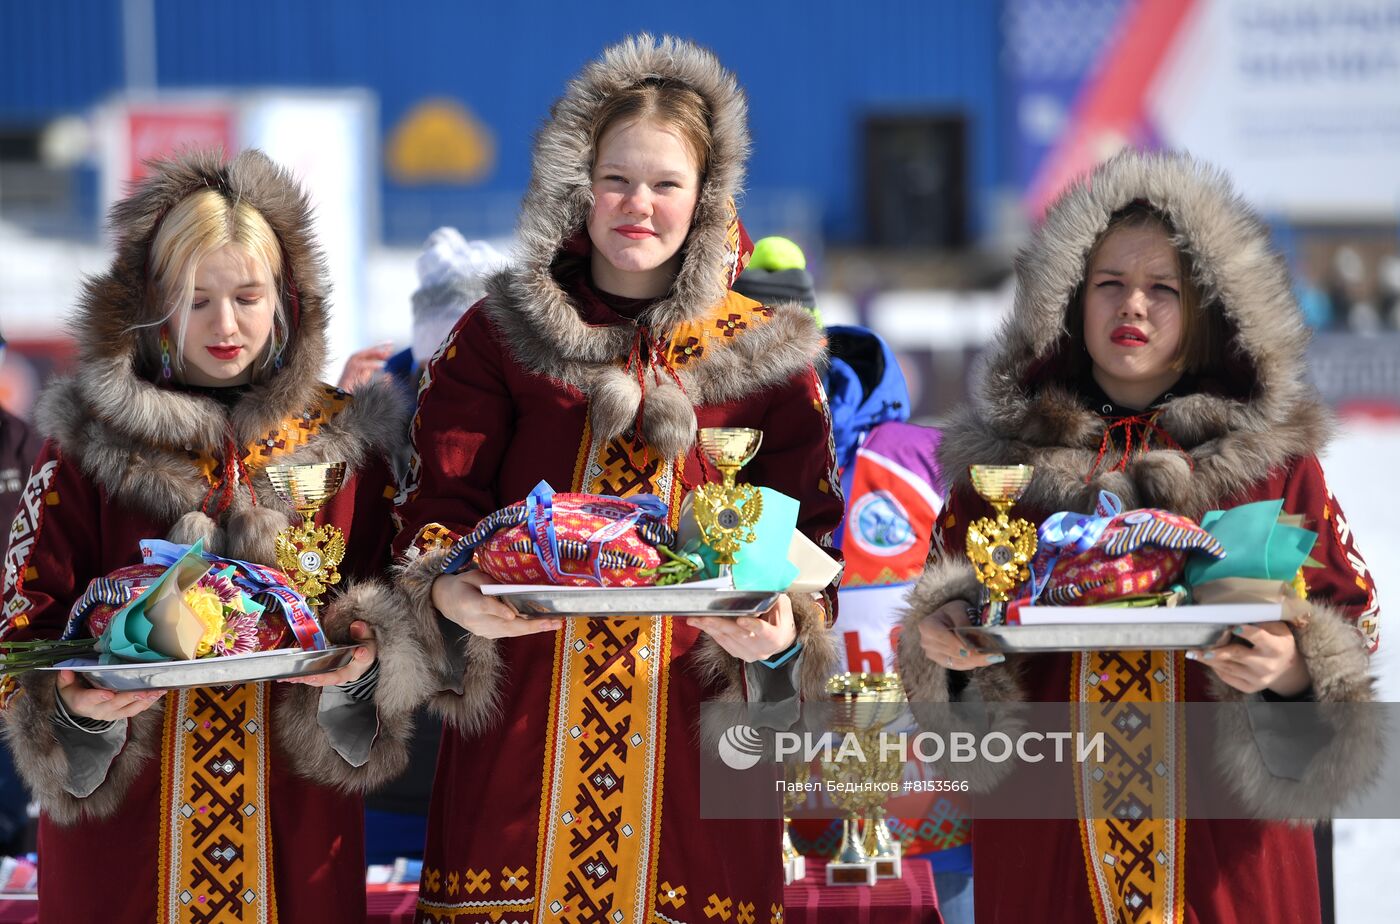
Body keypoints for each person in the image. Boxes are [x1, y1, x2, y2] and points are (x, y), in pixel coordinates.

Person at [393, 35, 843, 923]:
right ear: (580, 185)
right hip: (520, 755)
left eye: (666, 184)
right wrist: (445, 593)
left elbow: (806, 552)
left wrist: (782, 631)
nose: (639, 205)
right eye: (617, 179)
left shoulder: (769, 358)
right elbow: (433, 505)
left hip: (697, 756)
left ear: (707, 200)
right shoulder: (499, 336)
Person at [899, 150, 1380, 922]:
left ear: (1207, 310)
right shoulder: (1000, 476)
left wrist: (1294, 666)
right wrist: (949, 651)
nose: (1135, 307)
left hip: (1227, 861)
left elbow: (1351, 624)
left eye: (1164, 289)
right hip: (1052, 848)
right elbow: (954, 689)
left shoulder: (1271, 465)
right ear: (1066, 299)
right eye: (1110, 285)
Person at [0, 149, 425, 923]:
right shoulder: (88, 444)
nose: (225, 325)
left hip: (296, 843)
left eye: (248, 296)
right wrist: (72, 711)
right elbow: (20, 630)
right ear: (153, 303)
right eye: (196, 299)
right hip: (125, 861)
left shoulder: (346, 444)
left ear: (287, 300)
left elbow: (403, 618)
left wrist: (368, 666)